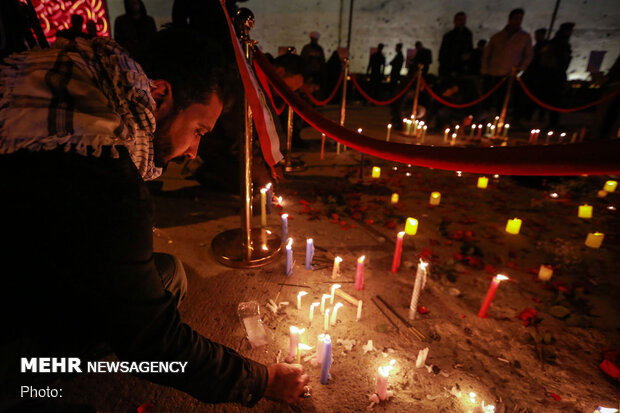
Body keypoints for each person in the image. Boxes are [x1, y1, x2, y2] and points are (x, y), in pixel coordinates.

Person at [0, 27, 308, 410]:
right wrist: (261, 380)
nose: (193, 151)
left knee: (167, 273)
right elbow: (153, 339)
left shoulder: (39, 87)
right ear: (159, 95)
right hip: (10, 333)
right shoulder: (103, 178)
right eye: (197, 130)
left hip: (20, 277)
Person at [481, 8, 533, 114]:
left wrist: (520, 69)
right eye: (515, 18)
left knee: (503, 101)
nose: (517, 21)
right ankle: (482, 122)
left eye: (520, 19)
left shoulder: (525, 37)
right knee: (487, 100)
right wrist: (485, 70)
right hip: (493, 72)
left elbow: (528, 55)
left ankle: (500, 120)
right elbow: (487, 54)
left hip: (510, 74)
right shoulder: (497, 37)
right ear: (510, 19)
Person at [538, 22, 574, 127]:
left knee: (552, 99)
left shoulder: (560, 42)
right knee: (554, 99)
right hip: (554, 75)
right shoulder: (559, 43)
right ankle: (551, 121)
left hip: (555, 74)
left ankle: (549, 120)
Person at [438, 11, 473, 76]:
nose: (462, 22)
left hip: (461, 68)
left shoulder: (467, 35)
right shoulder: (449, 36)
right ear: (455, 21)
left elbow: (470, 49)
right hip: (450, 67)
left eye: (463, 20)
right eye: (460, 20)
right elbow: (444, 54)